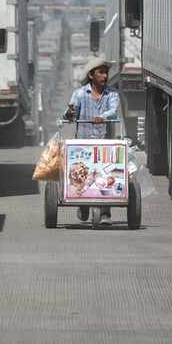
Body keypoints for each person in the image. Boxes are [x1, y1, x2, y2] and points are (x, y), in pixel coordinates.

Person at [64, 56, 120, 225]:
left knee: (105, 175)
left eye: (106, 73)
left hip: (105, 144)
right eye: (100, 73)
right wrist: (70, 112)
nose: (104, 76)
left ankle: (105, 213)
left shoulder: (112, 94)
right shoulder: (80, 94)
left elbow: (113, 111)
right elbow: (69, 113)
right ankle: (83, 205)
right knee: (83, 176)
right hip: (83, 145)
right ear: (91, 75)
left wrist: (101, 117)